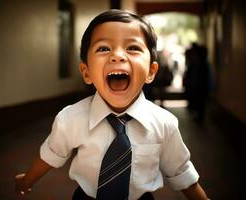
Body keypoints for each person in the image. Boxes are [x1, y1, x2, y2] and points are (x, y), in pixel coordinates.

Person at [15, 9, 209, 200]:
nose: (117, 56)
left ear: (151, 71)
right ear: (87, 72)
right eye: (104, 48)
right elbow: (51, 154)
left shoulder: (164, 124)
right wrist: (28, 179)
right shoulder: (71, 118)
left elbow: (181, 172)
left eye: (132, 48)